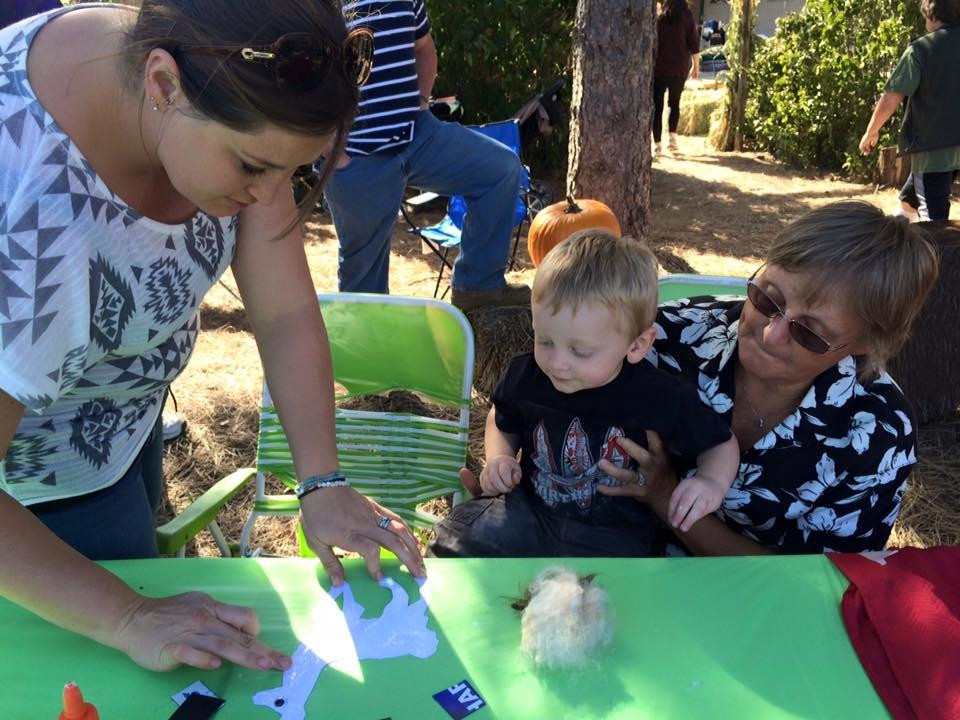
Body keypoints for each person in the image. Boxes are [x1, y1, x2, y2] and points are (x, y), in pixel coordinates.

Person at [0, 1, 425, 673]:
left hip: (118, 433)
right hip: (35, 498)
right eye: (255, 168)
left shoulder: (216, 67)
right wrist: (127, 616)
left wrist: (322, 478)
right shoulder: (29, 222)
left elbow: (283, 311)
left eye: (296, 172)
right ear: (163, 85)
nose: (270, 199)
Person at [597, 201, 939, 555]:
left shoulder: (878, 433)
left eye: (809, 332)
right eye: (766, 299)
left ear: (863, 344)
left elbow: (820, 581)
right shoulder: (672, 334)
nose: (770, 334)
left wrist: (664, 497)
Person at [430, 230, 739, 558]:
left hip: (616, 533)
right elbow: (501, 417)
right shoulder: (527, 375)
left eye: (581, 351)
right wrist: (500, 457)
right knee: (456, 538)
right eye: (544, 341)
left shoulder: (658, 394)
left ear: (636, 345)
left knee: (623, 589)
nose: (557, 363)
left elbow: (719, 443)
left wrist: (710, 482)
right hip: (530, 514)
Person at [323, 0, 531, 311]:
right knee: (363, 284)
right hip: (357, 154)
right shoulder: (322, 5)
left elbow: (424, 49)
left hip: (419, 135)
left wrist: (421, 102)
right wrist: (332, 152)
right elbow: (302, 78)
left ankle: (478, 288)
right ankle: (366, 347)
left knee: (500, 170)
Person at [859, 0, 960, 220]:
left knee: (933, 219)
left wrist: (872, 130)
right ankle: (892, 243)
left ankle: (936, 254)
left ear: (932, 16)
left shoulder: (921, 49)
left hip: (934, 146)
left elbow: (893, 95)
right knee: (910, 199)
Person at [653, 0, 700, 157]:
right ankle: (672, 138)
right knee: (674, 104)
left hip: (660, 68)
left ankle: (658, 145)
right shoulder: (687, 16)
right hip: (679, 69)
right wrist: (696, 66)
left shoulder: (660, 18)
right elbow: (693, 43)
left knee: (657, 107)